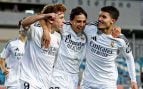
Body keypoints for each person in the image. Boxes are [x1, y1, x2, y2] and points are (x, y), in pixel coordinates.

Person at [80, 6, 138, 89]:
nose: (100, 19)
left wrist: (133, 80)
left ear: (112, 21)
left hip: (107, 84)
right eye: (99, 16)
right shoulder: (90, 28)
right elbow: (73, 25)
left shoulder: (121, 39)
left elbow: (129, 58)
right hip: (87, 83)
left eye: (104, 17)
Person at [19, 3, 66, 89]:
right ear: (51, 19)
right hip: (29, 81)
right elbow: (24, 23)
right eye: (61, 18)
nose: (64, 21)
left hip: (45, 84)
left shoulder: (58, 37)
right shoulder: (35, 30)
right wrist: (45, 18)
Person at [49, 6, 87, 89]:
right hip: (58, 74)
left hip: (74, 77)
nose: (81, 24)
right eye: (78, 21)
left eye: (84, 22)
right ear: (71, 21)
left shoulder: (87, 33)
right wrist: (45, 30)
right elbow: (46, 20)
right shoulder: (64, 27)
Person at [0, 21, 27, 89]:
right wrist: (3, 69)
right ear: (19, 29)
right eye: (22, 26)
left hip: (27, 81)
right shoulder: (12, 43)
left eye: (26, 27)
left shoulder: (32, 45)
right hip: (12, 81)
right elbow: (2, 58)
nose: (24, 28)